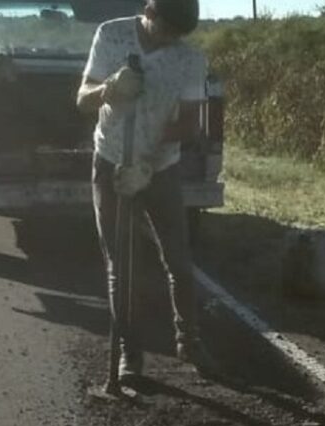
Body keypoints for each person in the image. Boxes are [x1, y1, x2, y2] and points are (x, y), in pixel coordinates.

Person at [76, 0, 216, 382]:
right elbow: (81, 99)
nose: (172, 40)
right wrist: (108, 89)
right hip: (110, 161)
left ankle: (189, 340)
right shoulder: (112, 34)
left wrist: (147, 164)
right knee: (121, 265)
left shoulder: (189, 60)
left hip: (160, 168)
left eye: (179, 35)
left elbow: (189, 125)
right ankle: (130, 354)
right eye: (166, 29)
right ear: (150, 13)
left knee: (179, 259)